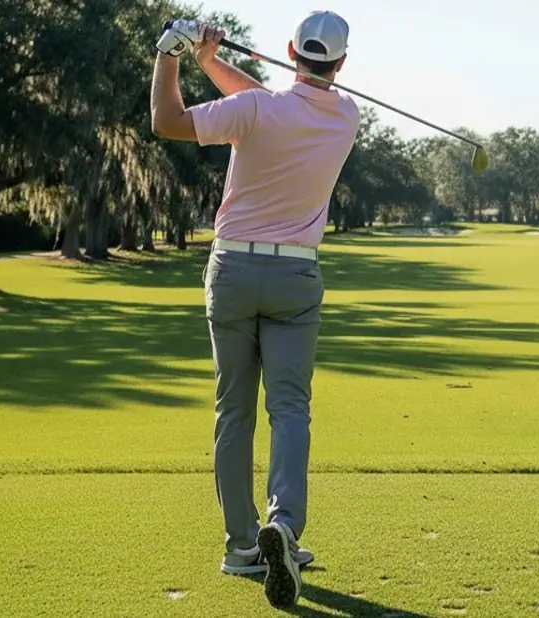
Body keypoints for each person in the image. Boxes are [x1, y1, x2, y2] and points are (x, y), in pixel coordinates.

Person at [150, 10, 361, 610]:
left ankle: (242, 544)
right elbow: (274, 104)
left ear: (291, 50)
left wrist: (171, 55)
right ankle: (284, 528)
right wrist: (212, 62)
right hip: (296, 275)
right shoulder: (346, 116)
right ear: (341, 63)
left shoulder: (255, 111)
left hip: (234, 273)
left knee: (233, 411)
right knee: (289, 408)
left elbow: (167, 121)